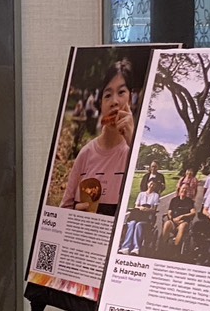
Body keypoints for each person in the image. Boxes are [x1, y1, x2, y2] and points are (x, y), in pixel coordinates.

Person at [60, 59, 136, 215]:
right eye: (107, 95)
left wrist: (133, 142)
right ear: (100, 103)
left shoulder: (134, 155)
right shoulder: (86, 154)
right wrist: (75, 213)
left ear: (131, 99)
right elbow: (64, 210)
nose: (114, 102)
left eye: (121, 92)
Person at [119, 175, 159, 255]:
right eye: (151, 184)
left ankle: (136, 248)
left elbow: (154, 209)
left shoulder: (156, 195)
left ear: (155, 186)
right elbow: (136, 206)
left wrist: (147, 209)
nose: (152, 186)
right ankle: (126, 247)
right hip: (138, 214)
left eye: (154, 185)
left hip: (147, 217)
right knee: (132, 223)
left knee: (138, 225)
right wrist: (141, 208)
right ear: (148, 184)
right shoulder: (141, 194)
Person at [160, 177, 198, 254]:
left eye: (186, 189)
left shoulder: (189, 201)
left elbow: (193, 212)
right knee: (167, 223)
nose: (184, 190)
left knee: (182, 226)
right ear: (179, 189)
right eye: (183, 188)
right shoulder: (174, 200)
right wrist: (172, 219)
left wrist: (182, 216)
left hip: (183, 222)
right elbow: (169, 211)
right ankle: (163, 246)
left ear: (187, 191)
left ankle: (176, 247)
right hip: (173, 221)